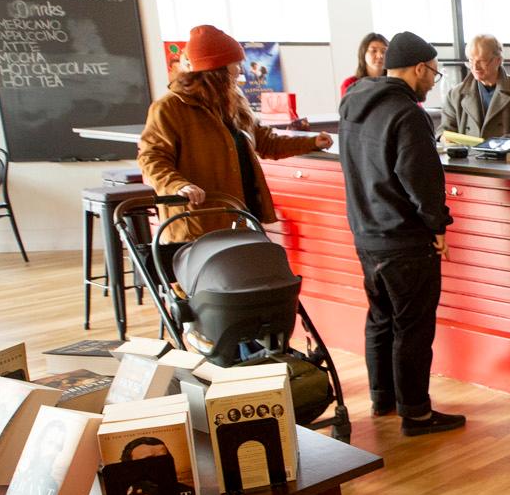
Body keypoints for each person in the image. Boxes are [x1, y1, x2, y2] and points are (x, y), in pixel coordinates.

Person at [336, 30, 465, 436]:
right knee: (413, 327)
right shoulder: (408, 114)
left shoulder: (354, 103)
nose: (433, 81)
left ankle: (383, 399)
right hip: (404, 237)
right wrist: (438, 225)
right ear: (419, 68)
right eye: (434, 74)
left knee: (380, 319)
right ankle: (417, 414)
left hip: (365, 233)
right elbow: (421, 180)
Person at [138, 24, 331, 245]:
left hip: (242, 214)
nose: (240, 70)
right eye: (236, 64)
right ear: (216, 69)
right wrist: (178, 185)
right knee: (207, 279)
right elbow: (150, 158)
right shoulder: (170, 107)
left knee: (249, 275)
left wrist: (311, 142)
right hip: (199, 222)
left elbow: (266, 142)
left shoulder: (234, 101)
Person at [441, 34, 510, 141]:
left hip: (506, 156)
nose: (475, 67)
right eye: (471, 61)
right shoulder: (455, 94)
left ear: (498, 60)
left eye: (481, 61)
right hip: (468, 156)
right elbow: (444, 131)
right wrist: (445, 139)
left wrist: (503, 142)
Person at [339, 32, 388, 99]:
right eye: (373, 51)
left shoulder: (394, 83)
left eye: (384, 51)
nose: (380, 56)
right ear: (363, 53)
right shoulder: (350, 84)